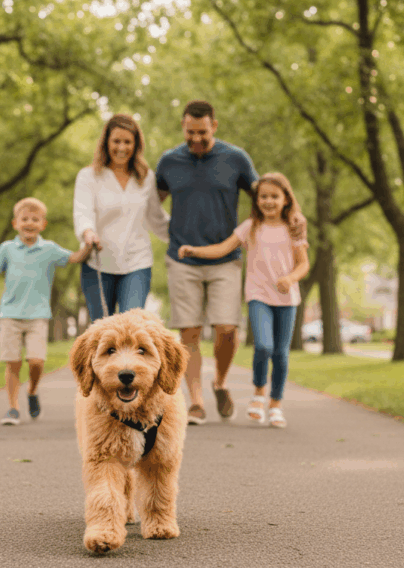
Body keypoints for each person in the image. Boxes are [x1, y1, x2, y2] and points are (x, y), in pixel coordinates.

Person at [179, 172, 310, 428]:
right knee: (263, 347)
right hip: (258, 296)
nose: (268, 201)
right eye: (263, 196)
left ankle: (275, 405)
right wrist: (194, 250)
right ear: (256, 199)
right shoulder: (251, 227)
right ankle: (259, 394)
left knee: (281, 354)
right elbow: (223, 248)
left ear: (285, 199)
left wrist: (291, 278)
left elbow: (303, 264)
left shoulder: (293, 227)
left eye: (274, 196)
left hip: (286, 299)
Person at [156, 100, 258, 425]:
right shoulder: (169, 161)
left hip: (225, 257)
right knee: (190, 331)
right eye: (190, 133)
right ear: (183, 128)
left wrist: (292, 218)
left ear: (215, 125)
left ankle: (221, 382)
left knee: (227, 328)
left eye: (202, 132)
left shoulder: (235, 158)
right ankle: (196, 401)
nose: (196, 139)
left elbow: (266, 197)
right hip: (182, 257)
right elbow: (148, 204)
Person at [0, 197, 92, 425]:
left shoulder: (48, 249)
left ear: (43, 224)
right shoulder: (7, 248)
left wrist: (89, 244)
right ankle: (12, 408)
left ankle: (31, 391)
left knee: (36, 361)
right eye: (25, 219)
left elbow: (74, 257)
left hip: (38, 315)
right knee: (13, 363)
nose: (29, 223)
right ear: (15, 223)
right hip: (10, 314)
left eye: (35, 219)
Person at [73, 113, 169, 322]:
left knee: (131, 326)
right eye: (116, 141)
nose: (121, 147)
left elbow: (156, 218)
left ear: (136, 145)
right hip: (98, 263)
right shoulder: (88, 176)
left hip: (137, 261)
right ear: (106, 142)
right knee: (102, 331)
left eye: (128, 142)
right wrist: (88, 233)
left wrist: (184, 234)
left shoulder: (145, 177)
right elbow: (82, 212)